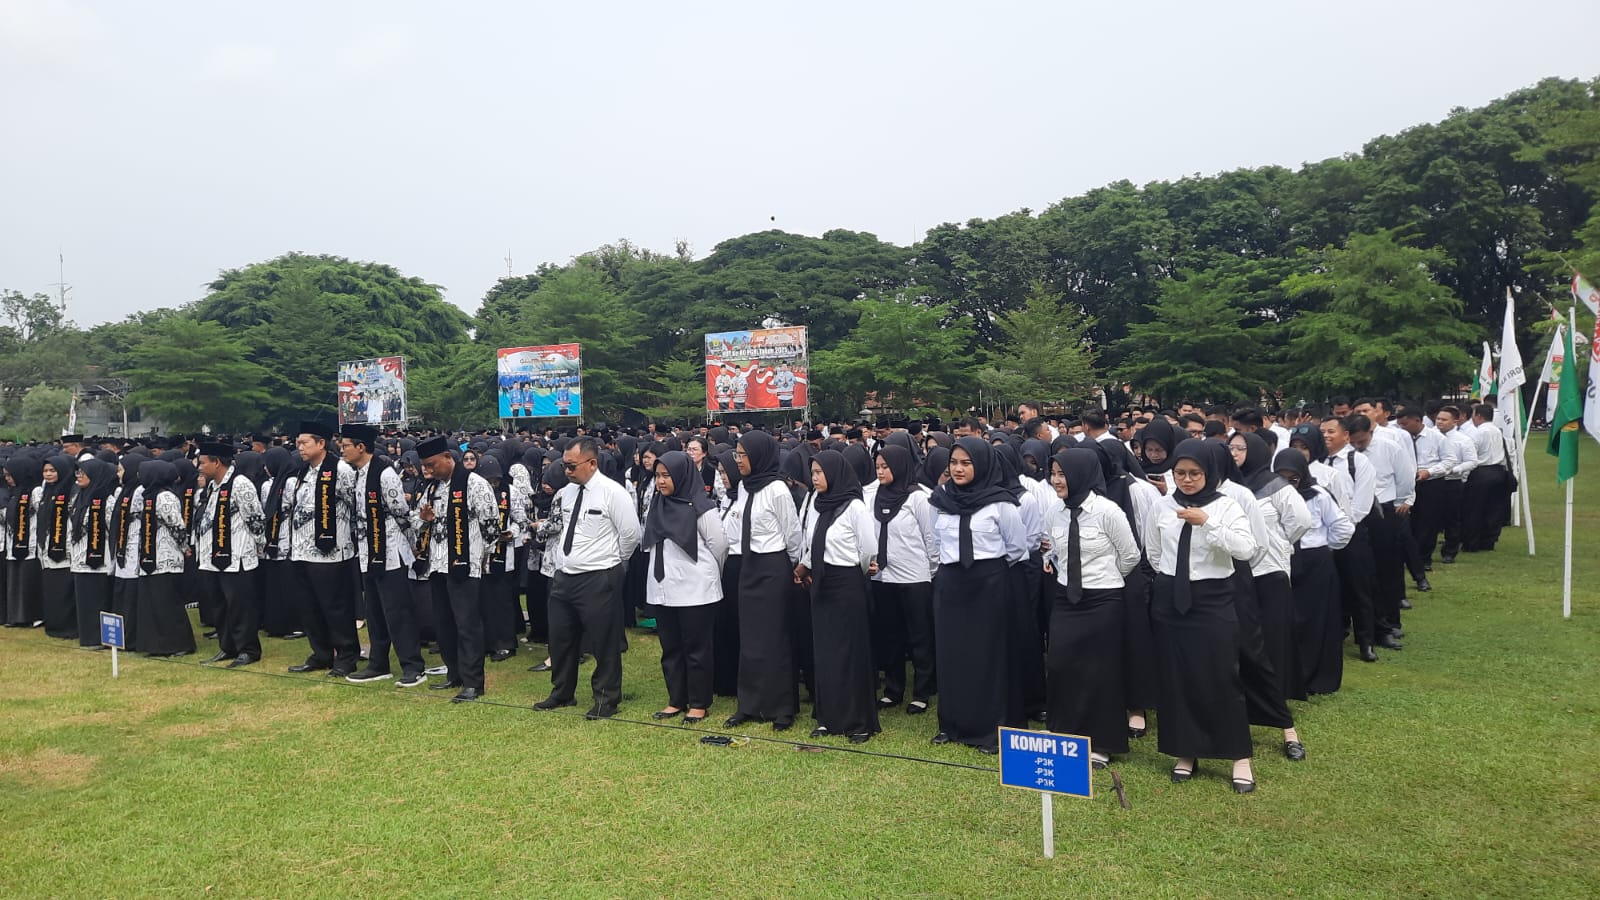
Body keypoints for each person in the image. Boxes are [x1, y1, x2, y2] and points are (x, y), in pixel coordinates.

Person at [1144, 439, 1258, 793]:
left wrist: (1207, 523)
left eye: (1195, 473)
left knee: (1222, 675)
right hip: (1171, 597)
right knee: (1178, 677)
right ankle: (1186, 751)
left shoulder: (1226, 506)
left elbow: (1246, 549)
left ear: (1210, 473)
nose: (1187, 480)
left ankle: (1239, 755)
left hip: (1213, 598)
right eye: (1180, 473)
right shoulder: (1162, 506)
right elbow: (1153, 550)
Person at [928, 438, 1027, 755]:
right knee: (952, 655)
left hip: (989, 584)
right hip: (951, 584)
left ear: (982, 464)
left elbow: (1016, 549)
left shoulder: (1001, 502)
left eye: (966, 463)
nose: (957, 469)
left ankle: (989, 729)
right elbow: (935, 541)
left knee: (987, 657)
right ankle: (952, 724)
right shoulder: (940, 499)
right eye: (954, 462)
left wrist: (988, 573)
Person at [1044, 449, 1140, 769]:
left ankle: (1100, 742)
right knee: (1060, 663)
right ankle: (1065, 732)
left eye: (1062, 474)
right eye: (1053, 473)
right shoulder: (1054, 512)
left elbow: (1130, 556)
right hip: (1065, 599)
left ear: (1081, 474)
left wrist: (1105, 580)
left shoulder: (1107, 511)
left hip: (1103, 600)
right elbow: (1055, 551)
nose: (1056, 480)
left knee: (1099, 672)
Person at [533, 436, 641, 719]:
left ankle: (606, 698)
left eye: (571, 466)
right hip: (565, 574)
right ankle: (561, 692)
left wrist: (612, 562)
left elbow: (630, 534)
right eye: (564, 465)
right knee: (560, 638)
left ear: (592, 463)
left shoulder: (612, 492)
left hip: (598, 575)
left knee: (603, 642)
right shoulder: (566, 493)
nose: (567, 471)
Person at [796, 449, 880, 744]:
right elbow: (811, 540)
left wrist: (855, 574)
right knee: (825, 651)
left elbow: (867, 548)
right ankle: (827, 716)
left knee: (850, 652)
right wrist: (806, 565)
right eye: (813, 472)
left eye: (820, 472)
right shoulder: (817, 504)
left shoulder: (855, 507)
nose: (815, 478)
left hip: (847, 582)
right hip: (821, 582)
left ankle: (858, 721)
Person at [724, 430, 802, 731]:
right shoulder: (745, 487)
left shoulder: (777, 489)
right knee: (751, 638)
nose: (739, 461)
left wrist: (795, 567)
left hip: (773, 566)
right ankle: (750, 703)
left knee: (775, 638)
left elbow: (792, 532)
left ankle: (782, 706)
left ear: (759, 456)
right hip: (749, 565)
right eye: (737, 455)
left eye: (743, 455)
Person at [643, 451, 727, 724]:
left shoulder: (701, 507)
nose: (661, 482)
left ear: (682, 475)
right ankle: (676, 699)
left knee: (697, 648)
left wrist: (708, 576)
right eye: (657, 476)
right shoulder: (656, 504)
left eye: (666, 476)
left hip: (695, 589)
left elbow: (719, 545)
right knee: (670, 646)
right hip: (663, 587)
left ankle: (699, 702)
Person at [340, 425, 427, 687]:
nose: (341, 449)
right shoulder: (357, 474)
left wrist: (416, 533)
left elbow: (400, 512)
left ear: (360, 447)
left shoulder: (385, 474)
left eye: (345, 445)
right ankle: (378, 663)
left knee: (397, 611)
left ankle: (413, 665)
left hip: (390, 550)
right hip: (368, 552)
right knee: (375, 611)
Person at [413, 436, 499, 703]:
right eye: (425, 466)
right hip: (437, 564)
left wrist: (480, 558)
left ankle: (474, 682)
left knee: (467, 625)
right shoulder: (433, 489)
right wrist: (424, 521)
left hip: (465, 564)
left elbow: (491, 527)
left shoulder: (475, 484)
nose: (428, 470)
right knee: (444, 624)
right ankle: (455, 673)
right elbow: (417, 521)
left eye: (431, 464)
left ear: (448, 458)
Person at [1273, 449, 1353, 695]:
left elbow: (1343, 527)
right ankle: (1290, 677)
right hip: (1284, 560)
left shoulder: (1318, 495)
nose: (1288, 485)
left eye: (1293, 479)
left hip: (1315, 562)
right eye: (1281, 478)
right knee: (1289, 620)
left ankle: (1318, 677)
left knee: (1317, 620)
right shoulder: (1269, 496)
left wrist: (1323, 548)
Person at [286, 421, 361, 677]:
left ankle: (347, 655)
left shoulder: (341, 470)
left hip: (331, 551)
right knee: (309, 607)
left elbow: (356, 506)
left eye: (304, 443)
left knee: (335, 607)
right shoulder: (302, 472)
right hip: (301, 550)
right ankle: (321, 653)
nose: (300, 448)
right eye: (298, 443)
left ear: (321, 443)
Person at [869, 444, 938, 715]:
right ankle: (893, 690)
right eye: (878, 467)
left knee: (919, 637)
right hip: (884, 577)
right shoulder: (874, 496)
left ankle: (922, 691)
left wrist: (930, 572)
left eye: (886, 467)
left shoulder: (917, 498)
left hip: (914, 577)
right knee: (891, 636)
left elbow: (930, 538)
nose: (881, 472)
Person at [192, 442, 266, 668]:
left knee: (240, 605)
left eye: (203, 462)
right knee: (219, 605)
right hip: (211, 556)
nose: (199, 467)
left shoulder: (240, 484)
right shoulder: (212, 486)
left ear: (217, 462)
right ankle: (227, 646)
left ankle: (248, 649)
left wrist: (258, 545)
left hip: (237, 556)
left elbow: (255, 518)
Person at [134, 460, 196, 657]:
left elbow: (177, 526)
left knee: (168, 603)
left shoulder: (166, 497)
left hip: (166, 556)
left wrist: (185, 547)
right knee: (153, 603)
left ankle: (179, 643)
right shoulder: (148, 496)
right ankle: (157, 644)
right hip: (149, 556)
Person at [68, 458, 118, 649]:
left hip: (99, 558)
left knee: (99, 599)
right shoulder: (79, 497)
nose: (79, 476)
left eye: (83, 473)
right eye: (77, 473)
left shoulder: (108, 500)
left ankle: (101, 638)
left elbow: (112, 530)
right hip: (79, 558)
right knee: (84, 600)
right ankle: (87, 636)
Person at [36, 454, 77, 640]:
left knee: (64, 590)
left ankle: (67, 627)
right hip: (47, 548)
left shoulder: (71, 491)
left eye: (52, 470)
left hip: (64, 547)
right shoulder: (46, 492)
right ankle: (54, 624)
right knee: (51, 589)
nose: (48, 474)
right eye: (45, 471)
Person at [3, 454, 44, 628]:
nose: (7, 479)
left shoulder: (34, 491)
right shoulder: (13, 493)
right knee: (15, 580)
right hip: (14, 542)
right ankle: (16, 616)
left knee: (28, 580)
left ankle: (31, 615)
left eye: (10, 475)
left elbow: (40, 514)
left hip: (30, 541)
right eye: (5, 475)